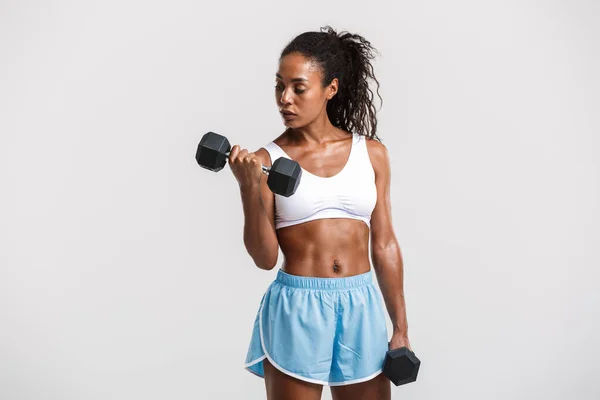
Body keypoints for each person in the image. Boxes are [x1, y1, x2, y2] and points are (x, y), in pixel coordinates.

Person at [227, 26, 411, 400]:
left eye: (298, 87)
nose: (285, 99)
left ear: (330, 89)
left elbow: (385, 244)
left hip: (362, 304)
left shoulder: (371, 154)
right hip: (297, 307)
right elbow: (264, 259)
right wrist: (248, 187)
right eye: (279, 86)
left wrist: (401, 327)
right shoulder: (266, 162)